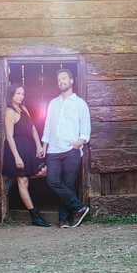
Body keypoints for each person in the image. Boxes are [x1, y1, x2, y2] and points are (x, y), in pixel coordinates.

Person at [41, 68, 90, 228]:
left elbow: (85, 127)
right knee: (52, 180)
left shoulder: (80, 103)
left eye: (64, 78)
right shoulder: (53, 103)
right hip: (53, 150)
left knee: (68, 184)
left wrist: (79, 143)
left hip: (71, 150)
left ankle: (64, 219)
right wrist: (44, 145)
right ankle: (79, 207)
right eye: (59, 79)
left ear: (71, 81)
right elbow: (48, 125)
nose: (61, 81)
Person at [2, 85, 51, 227]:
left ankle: (13, 177)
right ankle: (35, 216)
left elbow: (32, 128)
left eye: (22, 93)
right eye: (18, 93)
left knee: (44, 171)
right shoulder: (9, 111)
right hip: (16, 148)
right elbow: (10, 137)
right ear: (12, 94)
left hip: (28, 146)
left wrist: (38, 145)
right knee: (24, 182)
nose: (20, 96)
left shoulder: (23, 109)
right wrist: (16, 157)